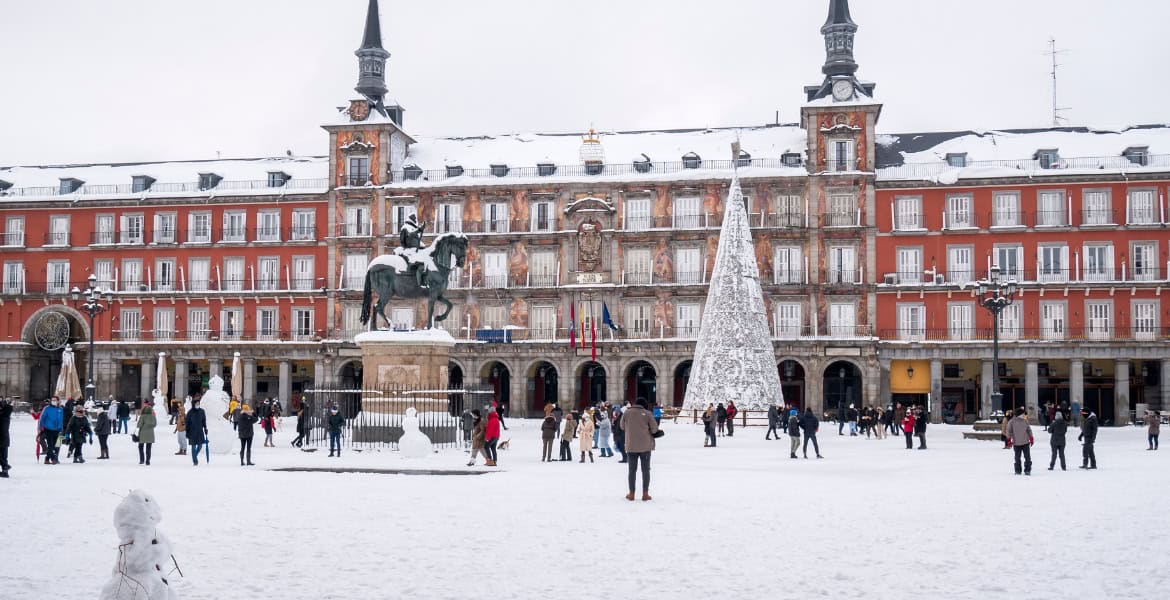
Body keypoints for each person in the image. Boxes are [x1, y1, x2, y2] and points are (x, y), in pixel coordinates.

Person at [620, 397, 659, 501]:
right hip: (645, 446)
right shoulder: (647, 413)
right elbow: (655, 429)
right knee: (645, 470)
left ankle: (631, 493)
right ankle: (645, 494)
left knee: (632, 470)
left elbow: (622, 427)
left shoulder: (627, 413)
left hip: (631, 446)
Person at [1006, 407, 1034, 475]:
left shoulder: (1025, 421)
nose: (1024, 415)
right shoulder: (1012, 422)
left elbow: (1029, 429)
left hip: (1025, 442)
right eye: (1023, 413)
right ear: (1019, 414)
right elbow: (1008, 431)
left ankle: (1027, 470)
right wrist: (1009, 440)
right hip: (1016, 443)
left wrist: (1031, 437)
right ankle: (1018, 470)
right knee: (1017, 458)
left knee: (1027, 457)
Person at [39, 397, 64, 465]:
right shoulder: (47, 408)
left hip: (58, 429)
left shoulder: (61, 409)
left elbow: (61, 419)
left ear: (58, 401)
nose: (53, 401)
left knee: (56, 445)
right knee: (50, 445)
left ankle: (48, 458)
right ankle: (53, 458)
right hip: (48, 429)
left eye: (55, 400)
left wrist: (61, 428)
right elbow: (42, 418)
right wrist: (41, 427)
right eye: (52, 400)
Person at [185, 397, 208, 466]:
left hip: (200, 431)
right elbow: (187, 423)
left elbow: (204, 421)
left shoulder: (202, 411)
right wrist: (187, 432)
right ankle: (195, 461)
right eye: (197, 403)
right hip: (192, 432)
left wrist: (205, 428)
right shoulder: (190, 412)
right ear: (194, 404)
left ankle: (194, 455)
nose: (198, 405)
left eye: (199, 403)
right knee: (193, 447)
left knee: (200, 446)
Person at [135, 401, 156, 466]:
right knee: (148, 448)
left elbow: (138, 425)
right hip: (150, 434)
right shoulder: (153, 417)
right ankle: (148, 461)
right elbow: (155, 424)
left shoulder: (142, 416)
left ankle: (142, 459)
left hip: (142, 434)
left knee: (140, 447)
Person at [0, 397, 11, 477]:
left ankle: (5, 467)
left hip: (2, 438)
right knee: (4, 456)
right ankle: (5, 471)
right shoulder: (6, 416)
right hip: (5, 439)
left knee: (3, 456)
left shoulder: (3, 417)